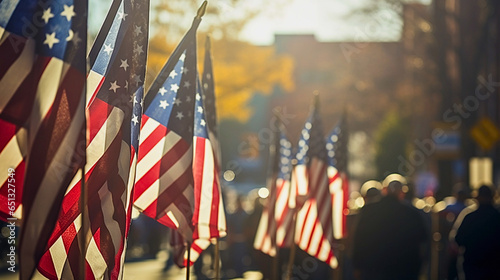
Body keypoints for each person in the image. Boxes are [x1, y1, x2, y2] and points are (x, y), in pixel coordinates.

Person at [352, 180, 428, 280]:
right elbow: (422, 240)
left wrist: (357, 266)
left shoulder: (369, 211)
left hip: (374, 269)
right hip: (404, 269)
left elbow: (359, 240)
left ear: (384, 190)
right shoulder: (412, 213)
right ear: (402, 193)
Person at [451, 185, 500, 279]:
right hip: (495, 265)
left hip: (472, 264)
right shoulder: (497, 216)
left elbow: (458, 239)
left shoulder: (469, 217)